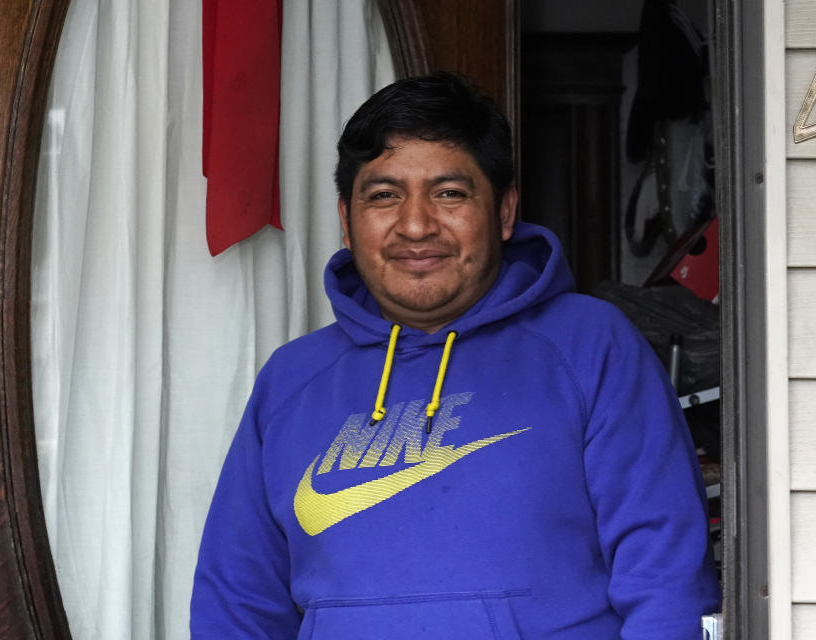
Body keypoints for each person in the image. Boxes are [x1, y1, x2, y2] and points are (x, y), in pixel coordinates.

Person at [190, 72, 720, 639]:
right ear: (347, 221)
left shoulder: (591, 346)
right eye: (384, 195)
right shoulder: (292, 379)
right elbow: (237, 603)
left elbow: (667, 584)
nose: (416, 225)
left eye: (449, 193)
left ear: (504, 210)